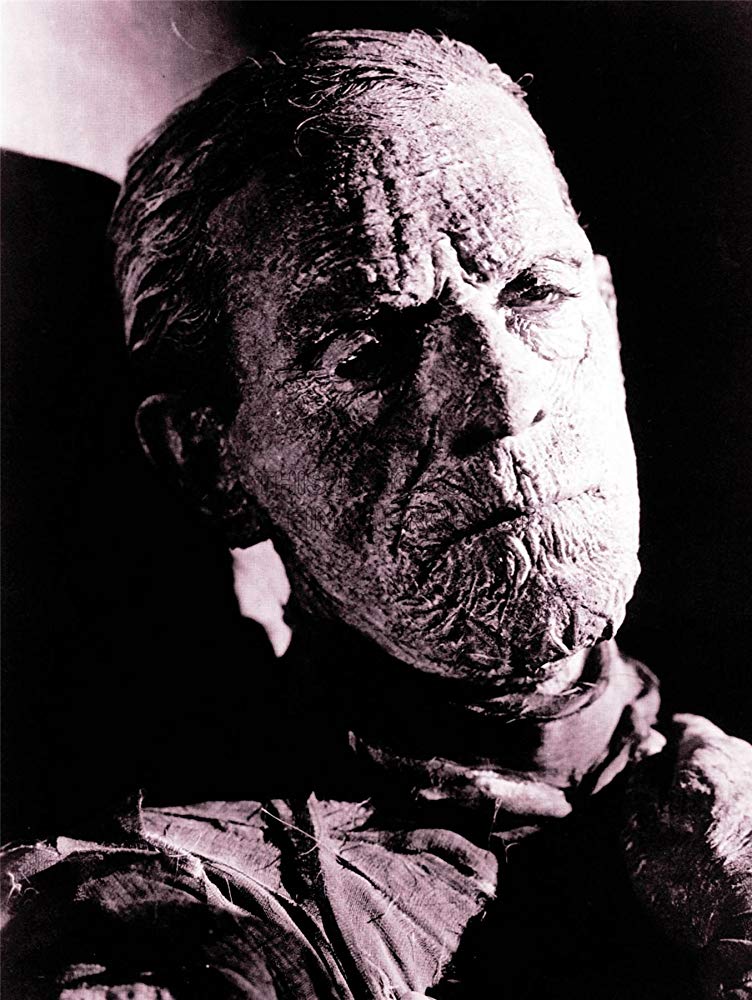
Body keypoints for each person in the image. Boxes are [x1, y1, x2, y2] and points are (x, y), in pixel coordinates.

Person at [2, 30, 750, 1000]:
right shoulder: (158, 928)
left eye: (536, 294)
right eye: (368, 350)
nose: (503, 396)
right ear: (209, 459)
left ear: (604, 314)